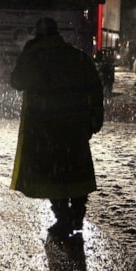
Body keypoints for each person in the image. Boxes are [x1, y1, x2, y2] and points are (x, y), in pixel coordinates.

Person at [9, 17, 104, 242]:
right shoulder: (77, 57)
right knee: (76, 171)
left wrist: (26, 53)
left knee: (52, 174)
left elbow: (16, 81)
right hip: (75, 124)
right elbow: (95, 89)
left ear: (37, 35)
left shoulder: (34, 58)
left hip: (44, 126)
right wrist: (94, 119)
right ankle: (77, 217)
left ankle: (63, 218)